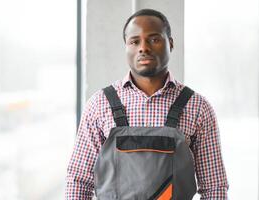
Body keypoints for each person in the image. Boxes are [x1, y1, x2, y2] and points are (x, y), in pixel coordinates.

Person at [66, 8, 228, 199]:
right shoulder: (99, 105)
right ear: (126, 47)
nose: (143, 47)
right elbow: (79, 181)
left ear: (171, 44)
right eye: (135, 41)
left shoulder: (198, 107)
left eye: (154, 39)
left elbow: (214, 186)